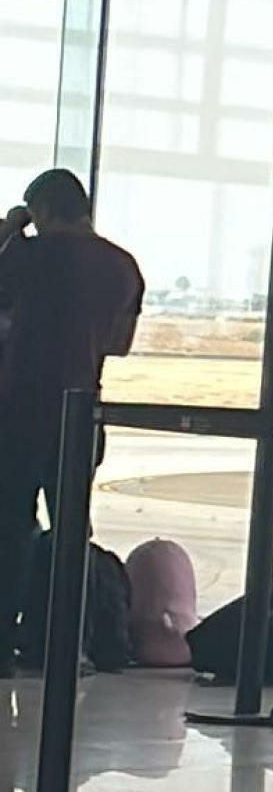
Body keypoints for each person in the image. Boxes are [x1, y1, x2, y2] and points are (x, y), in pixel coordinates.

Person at [0, 169, 142, 668]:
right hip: (82, 415)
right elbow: (119, 345)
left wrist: (10, 228)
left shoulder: (30, 255)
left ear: (41, 210)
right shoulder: (124, 267)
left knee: (10, 529)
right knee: (71, 533)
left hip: (19, 414)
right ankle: (66, 646)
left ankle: (2, 644)